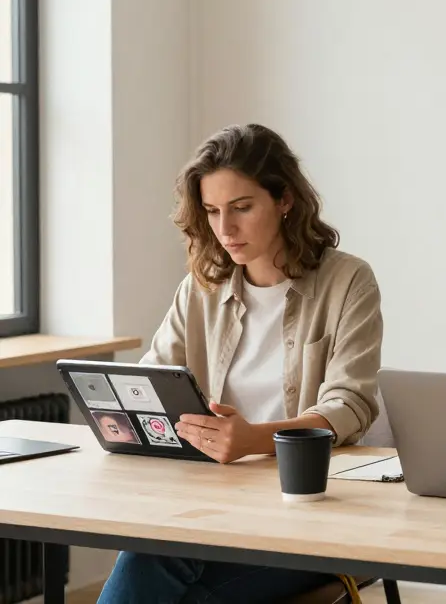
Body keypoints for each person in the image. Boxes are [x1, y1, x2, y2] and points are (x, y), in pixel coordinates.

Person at [98, 124, 384, 604]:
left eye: (242, 208)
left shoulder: (348, 281)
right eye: (211, 211)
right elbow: (152, 380)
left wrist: (257, 438)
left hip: (310, 520)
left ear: (285, 199)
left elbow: (351, 404)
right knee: (155, 553)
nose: (224, 229)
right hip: (211, 511)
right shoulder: (202, 288)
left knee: (158, 564)